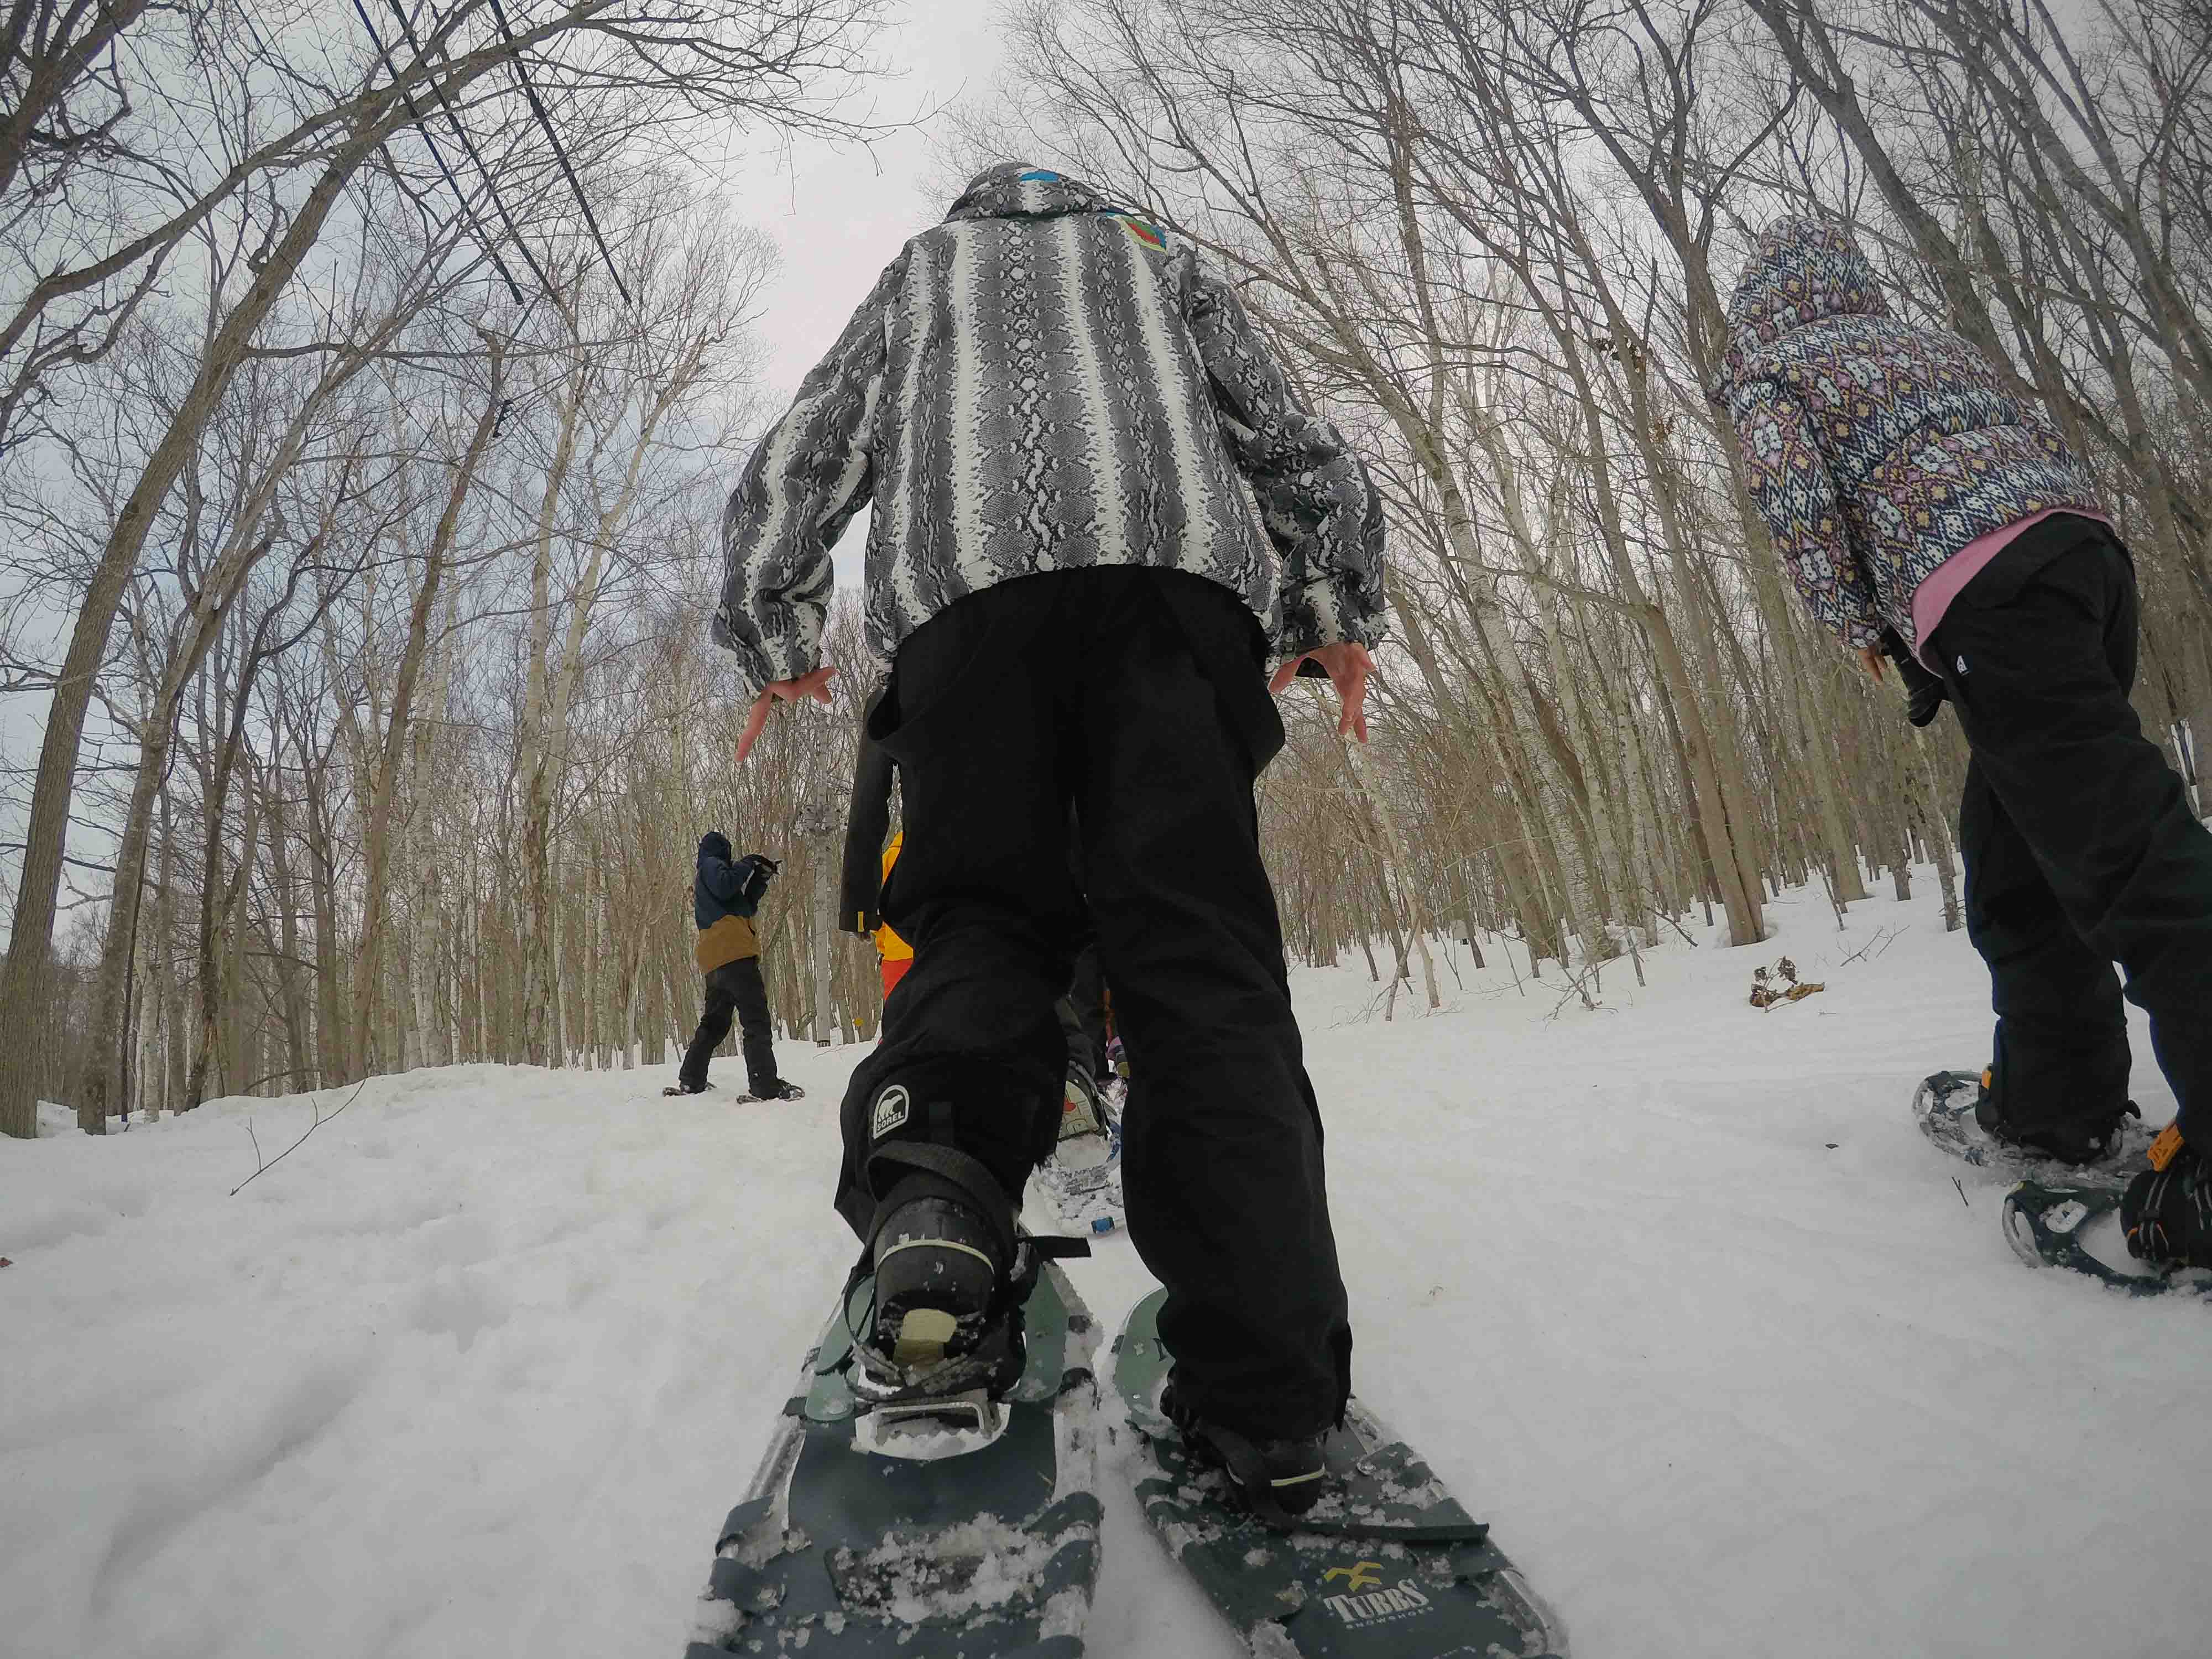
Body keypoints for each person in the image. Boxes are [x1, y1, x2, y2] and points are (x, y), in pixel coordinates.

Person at [714, 161, 1384, 1518]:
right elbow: (1295, 442)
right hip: (1175, 594)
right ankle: (1267, 1406)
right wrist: (1330, 606)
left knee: (983, 922)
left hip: (968, 611)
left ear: (973, 210)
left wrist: (776, 630)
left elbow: (805, 449)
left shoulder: (921, 272)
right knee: (1197, 955)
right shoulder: (1160, 256)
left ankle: (935, 1217)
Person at [1713, 216, 2212, 1267]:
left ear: (1760, 306)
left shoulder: (1773, 372)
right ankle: (2054, 1111)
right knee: (2020, 862)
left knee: (2127, 854)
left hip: (1988, 596)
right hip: (2086, 562)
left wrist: (1866, 630)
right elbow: (2039, 441)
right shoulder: (1925, 342)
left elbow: (1799, 508)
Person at [667, 832, 805, 1103]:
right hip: (736, 957)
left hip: (715, 962)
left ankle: (691, 1079)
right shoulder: (710, 865)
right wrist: (748, 863)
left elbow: (744, 905)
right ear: (722, 850)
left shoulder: (709, 882)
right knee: (756, 1021)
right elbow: (726, 885)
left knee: (715, 1023)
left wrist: (761, 877)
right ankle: (765, 1084)